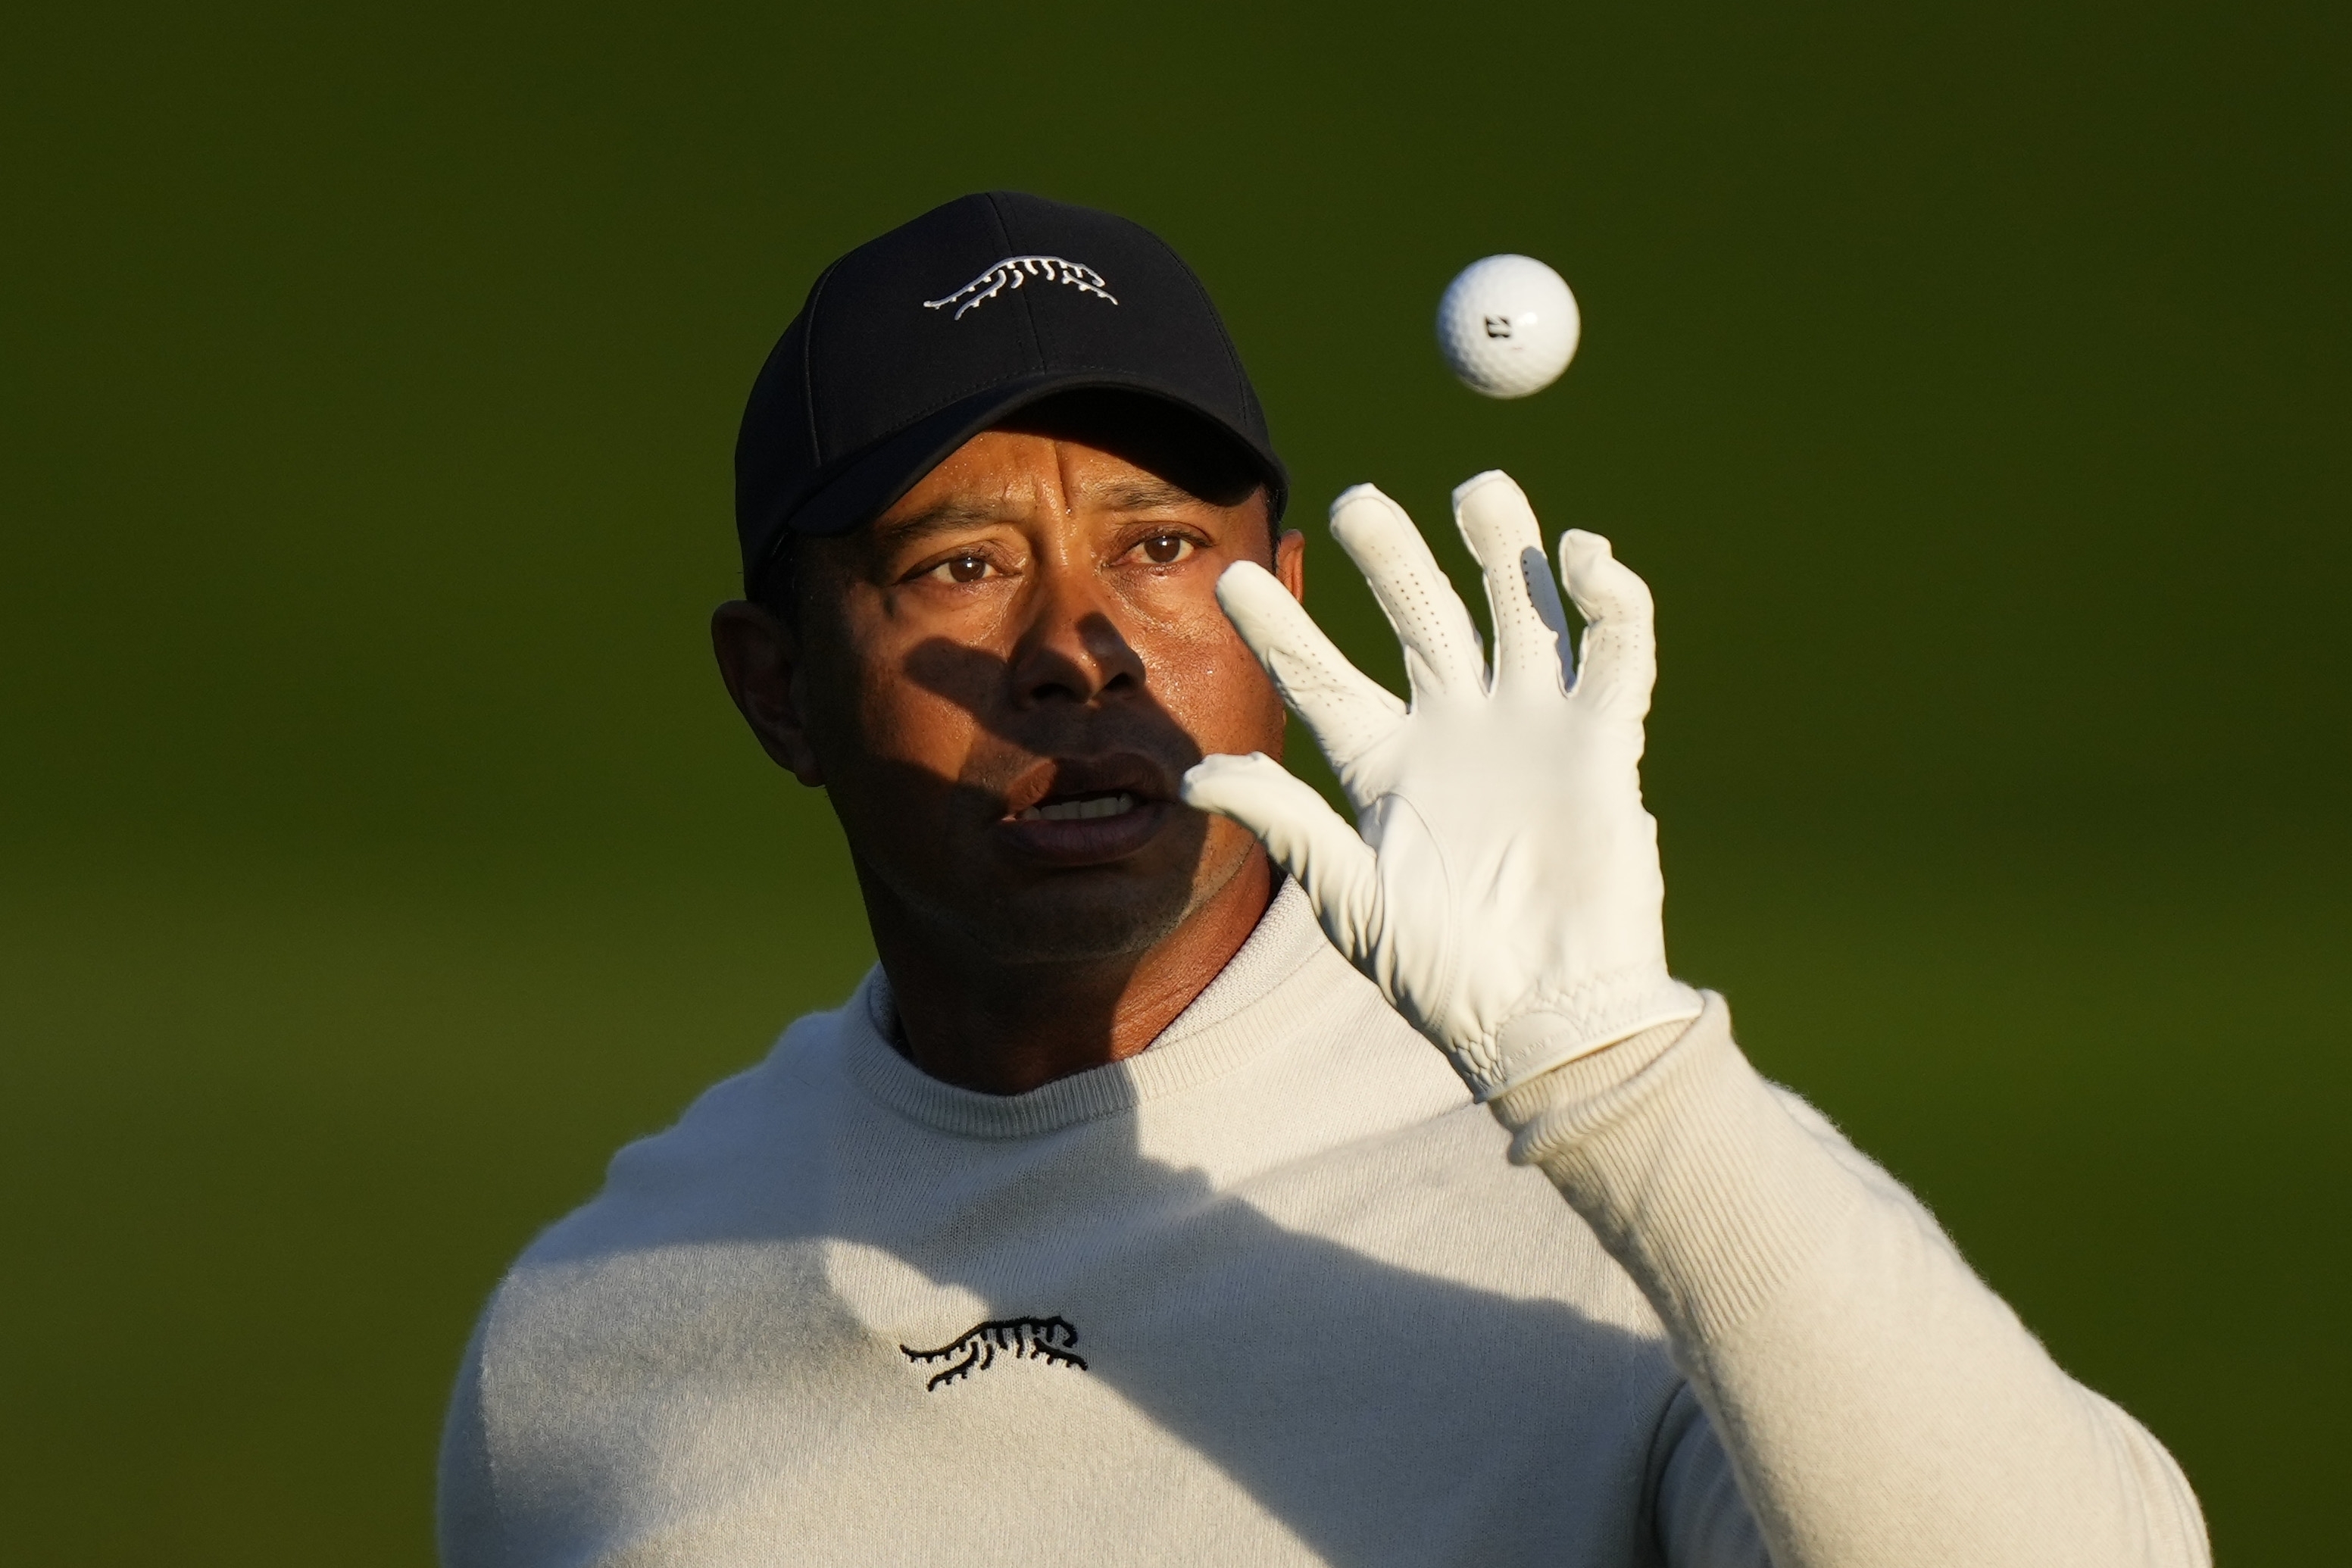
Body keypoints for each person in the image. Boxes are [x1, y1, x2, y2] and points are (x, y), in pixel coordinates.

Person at [436, 192, 2209, 1566]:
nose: (1078, 648)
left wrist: (1629, 1077)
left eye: (1160, 549)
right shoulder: (598, 1329)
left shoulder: (1612, 1205)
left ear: (1280, 597)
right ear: (776, 688)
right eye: (961, 563)